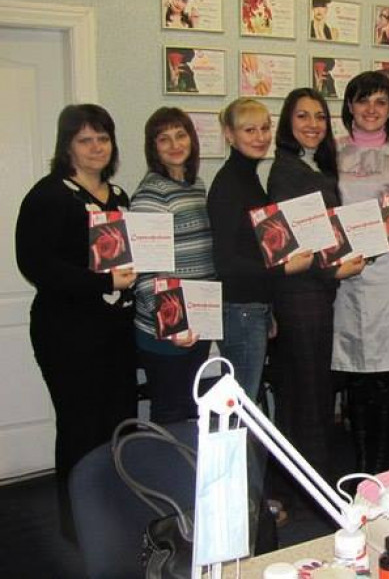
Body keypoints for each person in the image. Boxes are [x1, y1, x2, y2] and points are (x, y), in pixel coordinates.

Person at [15, 104, 138, 539]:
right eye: (85, 140)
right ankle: (79, 526)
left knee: (118, 424)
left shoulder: (118, 196)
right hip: (67, 333)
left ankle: (114, 514)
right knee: (80, 428)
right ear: (67, 146)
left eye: (103, 138)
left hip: (115, 332)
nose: (96, 147)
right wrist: (102, 281)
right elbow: (36, 265)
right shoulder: (48, 196)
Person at [267, 88, 364, 480]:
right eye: (303, 116)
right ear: (288, 123)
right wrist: (332, 271)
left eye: (320, 116)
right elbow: (295, 239)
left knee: (306, 390)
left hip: (316, 293)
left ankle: (300, 480)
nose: (313, 124)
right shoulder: (287, 171)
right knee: (310, 393)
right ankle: (315, 484)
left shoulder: (313, 165)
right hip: (300, 295)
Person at [333, 71, 389, 474]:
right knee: (354, 375)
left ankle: (385, 468)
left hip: (388, 272)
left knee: (384, 375)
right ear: (349, 105)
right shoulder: (331, 150)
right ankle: (362, 466)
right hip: (346, 275)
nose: (371, 109)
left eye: (381, 102)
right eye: (363, 100)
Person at [207, 98, 312, 402]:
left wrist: (268, 309)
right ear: (230, 135)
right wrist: (284, 269)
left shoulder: (250, 178)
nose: (260, 137)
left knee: (247, 401)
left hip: (253, 306)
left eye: (265, 128)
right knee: (241, 405)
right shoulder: (229, 185)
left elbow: (255, 248)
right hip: (239, 309)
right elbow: (227, 262)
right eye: (249, 130)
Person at [130, 107, 214, 423]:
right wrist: (173, 323)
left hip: (198, 318)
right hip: (167, 327)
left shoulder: (196, 185)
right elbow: (144, 271)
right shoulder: (151, 194)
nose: (175, 144)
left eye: (180, 135)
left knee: (191, 410)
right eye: (164, 139)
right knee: (170, 413)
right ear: (153, 148)